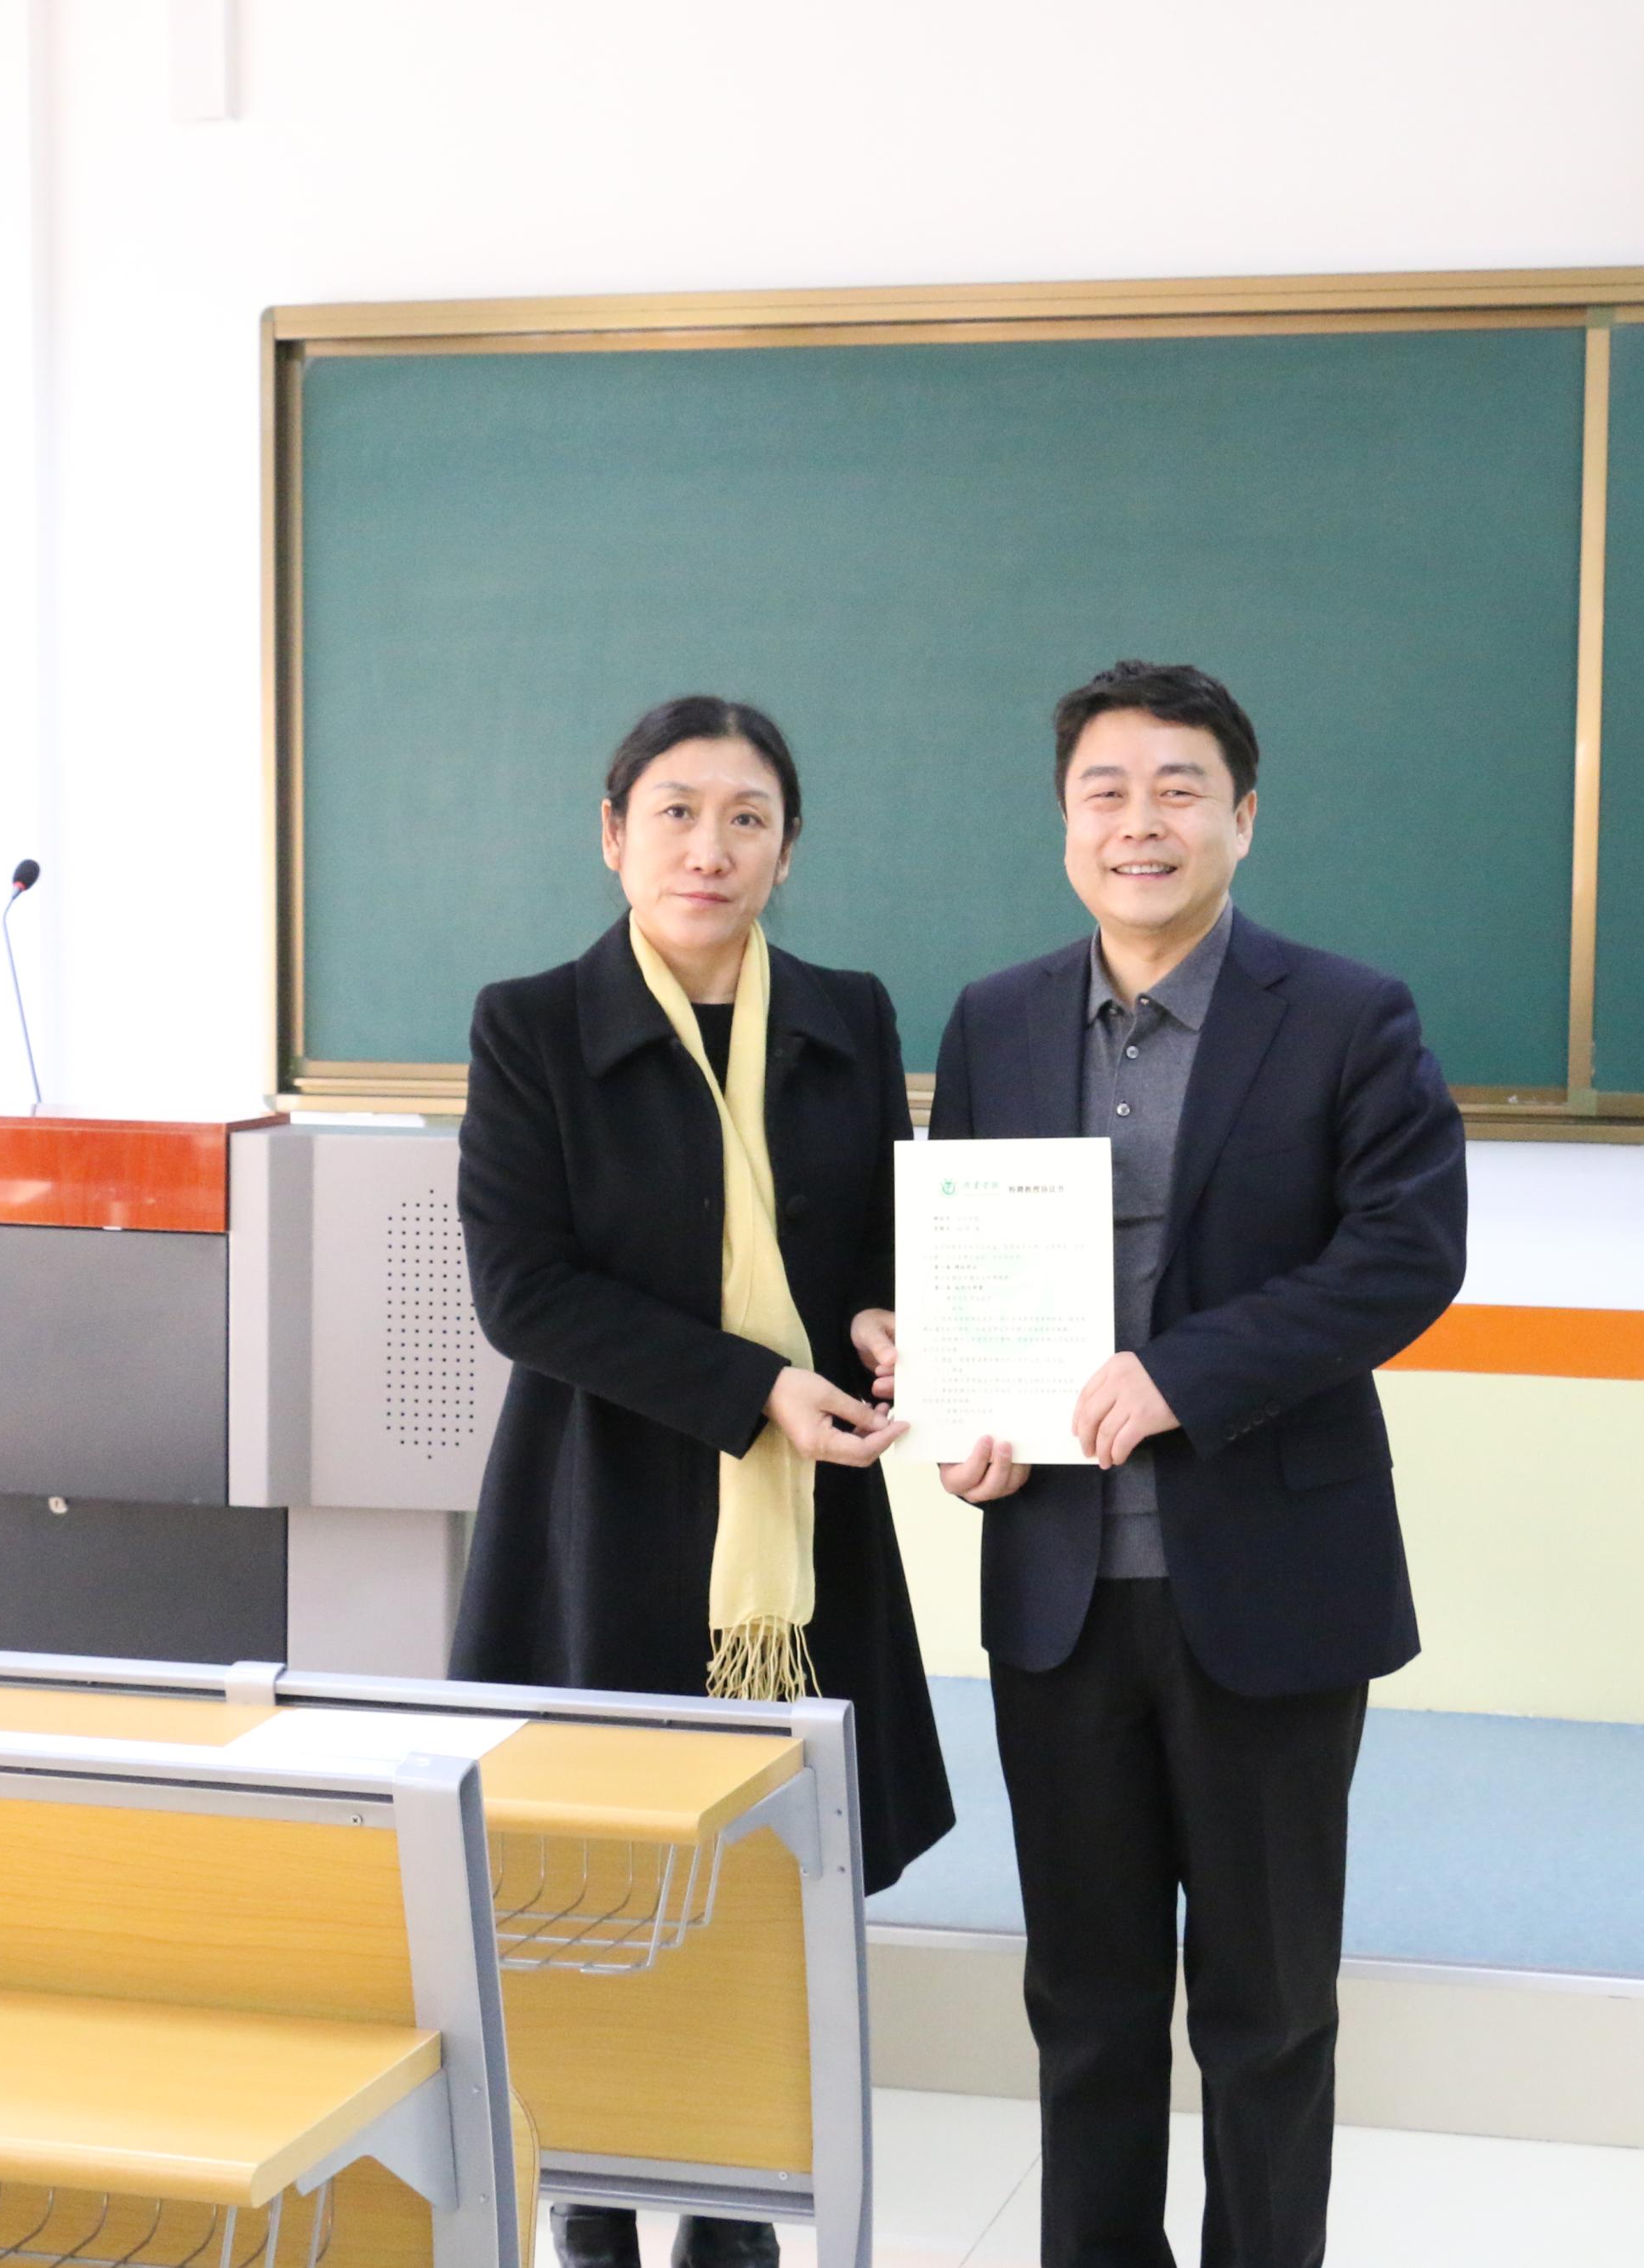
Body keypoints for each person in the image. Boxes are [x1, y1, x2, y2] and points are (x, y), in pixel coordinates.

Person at [914, 660, 1469, 2268]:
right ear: (1064, 822)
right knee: (1084, 2001)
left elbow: (1405, 1255)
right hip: (1061, 1591)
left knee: (1267, 2006)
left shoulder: (1348, 1013)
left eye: (1178, 789)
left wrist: (1179, 1376)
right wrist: (968, 1426)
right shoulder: (997, 1016)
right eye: (1106, 790)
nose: (1139, 822)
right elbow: (968, 1259)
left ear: (1244, 816)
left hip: (1272, 1589)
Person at [453, 694, 956, 2268]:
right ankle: (594, 2213)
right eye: (675, 811)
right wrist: (753, 1389)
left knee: (776, 1884)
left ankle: (737, 2224)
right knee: (591, 1889)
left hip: (801, 1541)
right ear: (614, 835)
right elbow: (523, 1292)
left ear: (787, 849)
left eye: (747, 817)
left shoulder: (848, 1014)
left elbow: (877, 1238)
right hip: (600, 1517)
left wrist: (880, 1315)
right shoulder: (533, 1024)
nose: (709, 847)